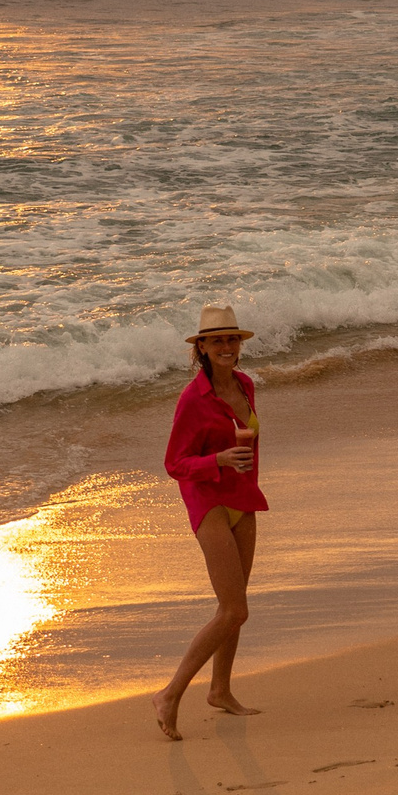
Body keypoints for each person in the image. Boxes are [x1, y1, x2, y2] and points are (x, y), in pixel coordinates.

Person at [153, 305, 267, 740]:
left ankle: (220, 690)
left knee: (234, 609)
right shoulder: (192, 399)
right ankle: (170, 694)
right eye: (217, 340)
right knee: (235, 608)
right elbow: (174, 463)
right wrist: (218, 461)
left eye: (232, 339)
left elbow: (251, 445)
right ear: (201, 347)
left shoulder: (246, 385)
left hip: (243, 497)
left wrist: (243, 477)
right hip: (208, 501)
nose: (226, 347)